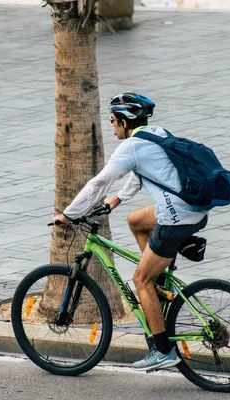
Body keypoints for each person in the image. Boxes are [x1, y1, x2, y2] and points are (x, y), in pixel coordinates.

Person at [52, 92, 208, 371]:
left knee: (140, 280)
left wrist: (68, 214)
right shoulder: (156, 133)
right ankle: (162, 277)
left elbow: (98, 183)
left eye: (113, 121)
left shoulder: (130, 147)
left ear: (125, 121)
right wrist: (118, 200)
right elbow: (142, 171)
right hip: (194, 210)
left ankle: (163, 351)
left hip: (175, 219)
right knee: (136, 221)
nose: (111, 126)